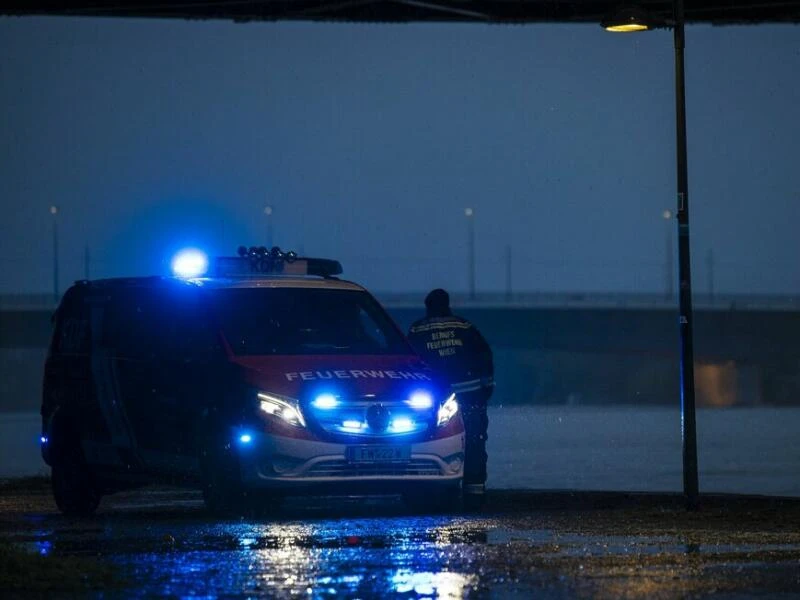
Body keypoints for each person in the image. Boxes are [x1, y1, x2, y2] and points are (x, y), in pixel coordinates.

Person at [407, 288, 494, 507]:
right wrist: (487, 386)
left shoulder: (417, 330)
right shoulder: (465, 327)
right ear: (448, 305)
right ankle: (475, 494)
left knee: (433, 442)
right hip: (471, 395)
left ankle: (433, 491)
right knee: (474, 441)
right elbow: (484, 355)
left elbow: (410, 362)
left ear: (428, 307)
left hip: (436, 400)